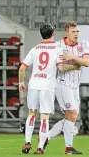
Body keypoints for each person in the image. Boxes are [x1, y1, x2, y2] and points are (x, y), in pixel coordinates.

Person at [43, 21, 89, 155]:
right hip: (63, 84)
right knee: (72, 114)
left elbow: (86, 62)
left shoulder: (84, 44)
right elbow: (61, 67)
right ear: (66, 32)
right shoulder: (59, 46)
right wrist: (77, 64)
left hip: (75, 86)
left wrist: (72, 57)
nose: (76, 34)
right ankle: (68, 148)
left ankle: (46, 137)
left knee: (71, 118)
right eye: (73, 32)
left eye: (77, 32)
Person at [19, 23, 64, 154]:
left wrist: (21, 82)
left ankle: (27, 142)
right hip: (47, 86)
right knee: (44, 117)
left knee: (32, 114)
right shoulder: (57, 48)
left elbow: (22, 67)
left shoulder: (35, 49)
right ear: (53, 34)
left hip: (33, 85)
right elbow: (61, 68)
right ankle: (39, 148)